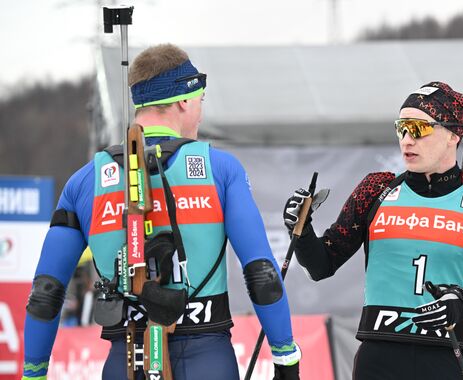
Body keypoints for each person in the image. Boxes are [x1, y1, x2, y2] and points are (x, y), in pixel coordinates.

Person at [22, 43, 300, 380]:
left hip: (126, 359)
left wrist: (33, 374)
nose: (200, 112)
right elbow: (262, 275)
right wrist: (286, 359)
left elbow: (46, 294)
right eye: (200, 102)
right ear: (184, 100)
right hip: (207, 357)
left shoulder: (85, 181)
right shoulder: (220, 168)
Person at [283, 81, 463, 379]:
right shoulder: (377, 188)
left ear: (453, 134)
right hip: (379, 356)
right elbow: (322, 265)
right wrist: (302, 231)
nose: (407, 140)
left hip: (446, 356)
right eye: (401, 128)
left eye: (419, 129)